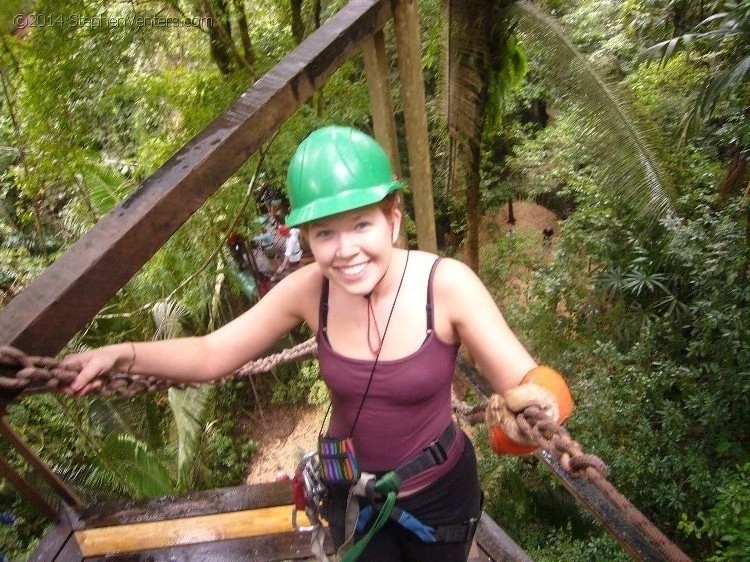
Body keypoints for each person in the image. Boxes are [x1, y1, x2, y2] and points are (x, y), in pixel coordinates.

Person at [63, 126, 572, 561]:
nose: (346, 250)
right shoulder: (311, 293)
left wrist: (533, 414)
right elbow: (211, 354)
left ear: (393, 219)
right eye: (325, 233)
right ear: (305, 237)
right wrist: (125, 353)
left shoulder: (446, 286)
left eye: (362, 225)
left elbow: (534, 385)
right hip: (353, 491)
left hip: (439, 494)